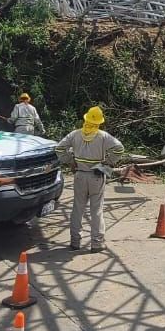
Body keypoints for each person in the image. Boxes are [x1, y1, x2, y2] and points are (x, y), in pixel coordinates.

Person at [54, 106, 125, 252]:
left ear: (85, 119)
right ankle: (97, 244)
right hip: (96, 176)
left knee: (77, 209)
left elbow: (59, 148)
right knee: (96, 210)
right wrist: (108, 162)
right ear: (99, 122)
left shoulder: (74, 135)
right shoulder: (103, 136)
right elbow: (119, 149)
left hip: (80, 175)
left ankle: (75, 242)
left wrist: (70, 161)